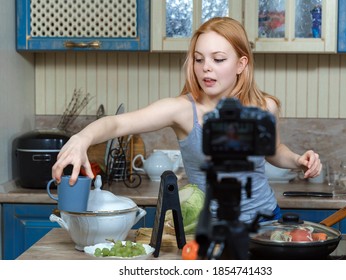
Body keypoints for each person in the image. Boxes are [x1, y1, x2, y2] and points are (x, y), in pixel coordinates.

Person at [52, 17, 322, 223]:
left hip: (265, 221)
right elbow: (118, 124)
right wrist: (81, 138)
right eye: (199, 59)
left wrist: (298, 161)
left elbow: (274, 151)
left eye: (218, 59)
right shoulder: (182, 111)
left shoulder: (265, 107)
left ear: (241, 65)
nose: (206, 67)